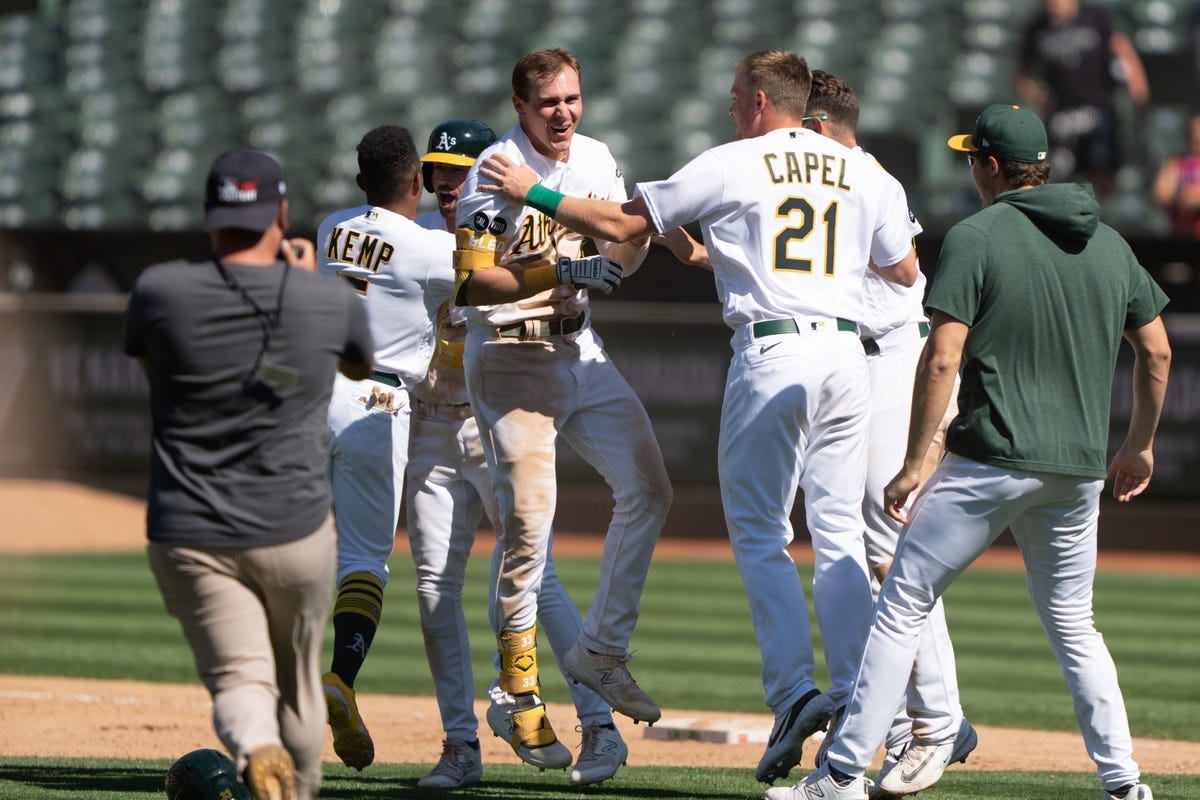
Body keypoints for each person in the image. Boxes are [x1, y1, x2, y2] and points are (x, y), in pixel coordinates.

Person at [477, 48, 919, 786]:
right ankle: (852, 697)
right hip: (849, 358)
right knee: (839, 536)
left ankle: (792, 694)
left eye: (736, 95)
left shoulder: (736, 160)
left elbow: (622, 221)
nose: (729, 107)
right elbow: (901, 269)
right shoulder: (859, 167)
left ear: (758, 103)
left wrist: (535, 192)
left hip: (774, 351)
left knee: (760, 532)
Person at [781, 104, 1170, 800]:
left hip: (990, 459)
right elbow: (1157, 351)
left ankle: (841, 777)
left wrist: (911, 462)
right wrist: (1138, 446)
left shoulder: (978, 234)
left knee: (902, 601)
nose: (969, 168)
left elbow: (941, 361)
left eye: (972, 158)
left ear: (990, 165)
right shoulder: (1111, 244)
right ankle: (1125, 783)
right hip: (1078, 470)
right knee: (1075, 626)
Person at [124, 147, 374, 800]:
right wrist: (304, 285)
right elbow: (356, 368)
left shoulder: (159, 290)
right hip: (294, 530)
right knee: (296, 677)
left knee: (240, 677)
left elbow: (159, 377)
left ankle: (257, 747)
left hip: (192, 529)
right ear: (282, 212)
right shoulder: (328, 299)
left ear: (210, 215)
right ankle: (300, 788)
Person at [454, 47, 672, 764]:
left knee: (650, 489)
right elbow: (475, 286)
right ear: (519, 107)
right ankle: (514, 691)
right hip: (512, 358)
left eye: (573, 99)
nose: (564, 113)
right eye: (549, 102)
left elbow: (621, 235)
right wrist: (559, 266)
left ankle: (601, 650)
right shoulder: (493, 172)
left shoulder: (597, 157)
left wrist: (624, 251)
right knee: (529, 527)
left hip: (580, 349)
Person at [407, 119, 627, 788]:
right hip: (429, 427)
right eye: (437, 170)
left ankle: (598, 726)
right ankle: (460, 745)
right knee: (434, 588)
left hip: (498, 415)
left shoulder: (514, 235)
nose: (448, 180)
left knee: (538, 578)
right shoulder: (413, 244)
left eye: (459, 167)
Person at [800, 70, 978, 792]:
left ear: (814, 126)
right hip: (855, 360)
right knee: (850, 535)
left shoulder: (866, 177)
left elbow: (906, 277)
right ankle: (910, 715)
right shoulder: (823, 175)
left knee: (887, 538)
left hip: (892, 354)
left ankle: (937, 719)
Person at [314, 125, 456, 771]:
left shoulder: (330, 227)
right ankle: (341, 676)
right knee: (366, 558)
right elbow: (492, 279)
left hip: (312, 394)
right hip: (379, 400)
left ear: (358, 180)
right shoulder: (428, 247)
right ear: (416, 180)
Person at [1016, 0, 1150, 198]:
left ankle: (1103, 224)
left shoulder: (1096, 17)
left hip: (1099, 115)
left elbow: (1123, 51)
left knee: (1102, 173)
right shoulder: (1037, 27)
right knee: (1056, 178)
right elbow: (1022, 75)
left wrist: (1139, 91)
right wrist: (1037, 95)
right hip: (1061, 118)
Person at [1151, 113, 1200, 238]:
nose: (1197, 137)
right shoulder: (1177, 162)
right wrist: (1185, 196)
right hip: (1182, 235)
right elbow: (1161, 194)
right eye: (1194, 133)